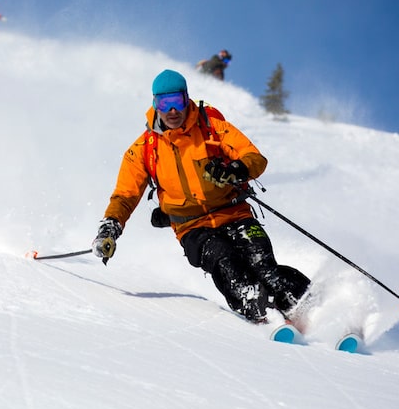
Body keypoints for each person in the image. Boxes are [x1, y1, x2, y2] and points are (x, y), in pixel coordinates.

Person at [91, 69, 310, 324]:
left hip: (234, 212)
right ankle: (264, 316)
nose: (172, 110)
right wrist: (110, 227)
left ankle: (310, 305)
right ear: (155, 105)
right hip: (192, 226)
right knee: (226, 265)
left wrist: (235, 170)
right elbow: (125, 195)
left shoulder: (211, 127)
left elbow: (253, 157)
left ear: (186, 99)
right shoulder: (144, 149)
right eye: (165, 103)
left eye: (177, 101)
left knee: (263, 265)